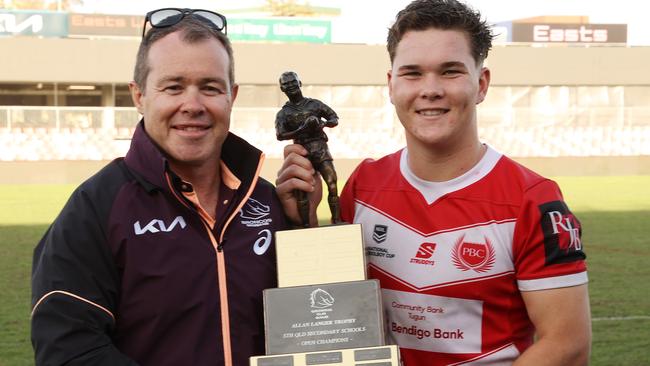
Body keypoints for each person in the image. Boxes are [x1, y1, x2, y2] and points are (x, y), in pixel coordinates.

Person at [275, 0, 591, 365]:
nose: (430, 89)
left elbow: (568, 345)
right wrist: (304, 221)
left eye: (450, 71)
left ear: (482, 83)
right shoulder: (364, 185)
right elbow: (333, 312)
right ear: (392, 85)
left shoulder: (532, 200)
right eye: (412, 73)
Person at [31, 9, 287, 366]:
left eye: (210, 88)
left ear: (233, 96)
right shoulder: (95, 207)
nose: (193, 105)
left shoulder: (268, 202)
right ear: (139, 96)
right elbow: (69, 348)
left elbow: (315, 321)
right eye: (173, 87)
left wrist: (304, 223)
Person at [275, 71, 340, 226]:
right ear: (282, 89)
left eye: (293, 82)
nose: (290, 86)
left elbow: (334, 118)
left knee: (332, 183)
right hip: (301, 153)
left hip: (320, 148)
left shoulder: (315, 104)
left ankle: (336, 220)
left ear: (300, 83)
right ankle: (305, 225)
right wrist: (303, 128)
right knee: (301, 193)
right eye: (286, 84)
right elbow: (280, 135)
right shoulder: (283, 113)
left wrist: (322, 124)